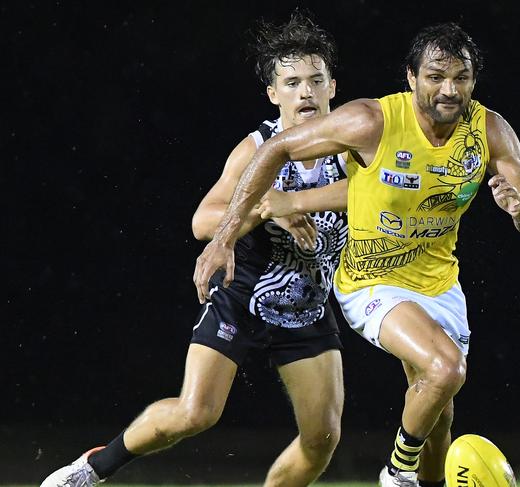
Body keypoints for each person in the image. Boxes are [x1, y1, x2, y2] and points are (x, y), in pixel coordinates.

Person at [194, 22, 520, 487]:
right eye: (435, 76)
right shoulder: (371, 121)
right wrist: (225, 237)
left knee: (439, 415)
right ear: (411, 77)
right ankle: (396, 473)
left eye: (461, 77)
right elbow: (276, 149)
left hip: (441, 285)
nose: (449, 89)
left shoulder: (489, 130)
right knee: (446, 368)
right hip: (371, 280)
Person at [41, 11, 349, 487]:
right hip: (243, 295)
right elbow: (203, 220)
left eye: (315, 80)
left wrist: (296, 201)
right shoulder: (256, 149)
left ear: (333, 87)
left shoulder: (355, 147)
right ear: (273, 95)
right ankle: (94, 468)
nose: (305, 92)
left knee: (323, 439)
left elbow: (382, 196)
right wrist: (267, 209)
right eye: (291, 83)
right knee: (195, 413)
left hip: (306, 308)